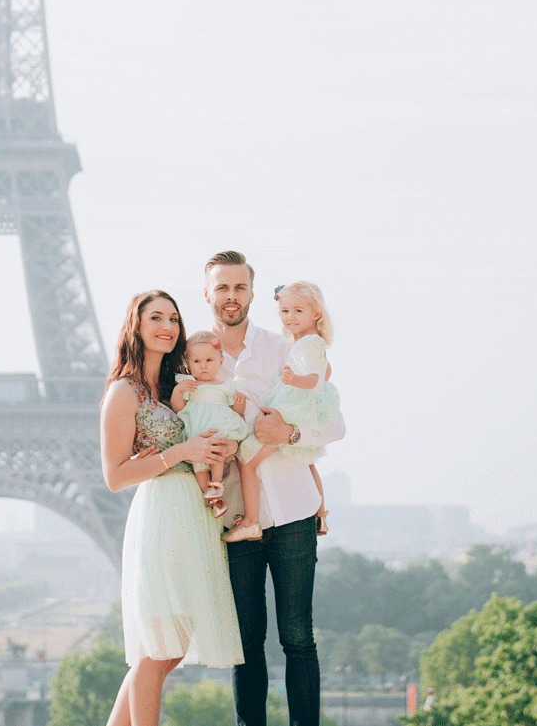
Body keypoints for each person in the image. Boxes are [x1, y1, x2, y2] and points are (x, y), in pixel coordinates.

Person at [203, 251, 345, 726]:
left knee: (298, 639)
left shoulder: (287, 348)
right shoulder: (192, 358)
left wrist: (288, 434)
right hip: (237, 517)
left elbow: (335, 424)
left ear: (251, 294)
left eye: (239, 287)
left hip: (294, 512)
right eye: (222, 287)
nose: (231, 296)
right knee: (246, 645)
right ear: (208, 295)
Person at [100, 290, 243, 726]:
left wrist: (226, 442)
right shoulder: (124, 392)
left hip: (193, 516)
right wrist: (182, 450)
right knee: (158, 648)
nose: (168, 326)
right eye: (156, 317)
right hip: (162, 513)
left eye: (174, 318)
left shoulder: (180, 386)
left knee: (170, 648)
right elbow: (115, 476)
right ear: (136, 327)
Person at [221, 281, 338, 543]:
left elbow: (317, 380)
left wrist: (294, 382)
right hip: (296, 409)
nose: (289, 317)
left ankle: (251, 522)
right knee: (308, 462)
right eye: (285, 311)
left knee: (246, 460)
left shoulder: (304, 345)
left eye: (298, 311)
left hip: (290, 410)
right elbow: (325, 374)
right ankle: (320, 513)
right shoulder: (310, 343)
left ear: (316, 313)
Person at [171, 331, 249, 519]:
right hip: (197, 430)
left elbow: (237, 411)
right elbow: (178, 408)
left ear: (220, 362)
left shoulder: (226, 385)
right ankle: (212, 499)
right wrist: (178, 390)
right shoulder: (189, 384)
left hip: (217, 428)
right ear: (188, 363)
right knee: (199, 465)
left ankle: (217, 483)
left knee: (217, 451)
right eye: (196, 362)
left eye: (208, 360)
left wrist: (239, 401)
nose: (203, 366)